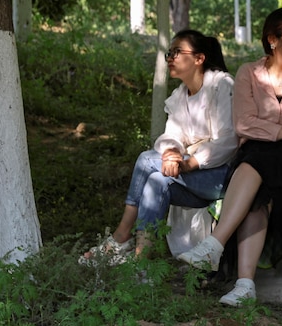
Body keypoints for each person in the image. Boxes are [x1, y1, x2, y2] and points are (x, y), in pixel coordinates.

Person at [177, 8, 282, 306]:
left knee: (256, 163)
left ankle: (214, 245)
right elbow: (244, 124)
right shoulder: (249, 72)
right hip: (261, 152)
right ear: (273, 39)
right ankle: (245, 285)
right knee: (257, 191)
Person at [80, 30, 238, 265]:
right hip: (190, 178)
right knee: (156, 182)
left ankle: (121, 237)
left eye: (177, 52)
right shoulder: (179, 95)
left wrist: (188, 163)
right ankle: (140, 264)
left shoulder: (221, 85)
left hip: (222, 177)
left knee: (146, 160)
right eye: (169, 53)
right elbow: (170, 136)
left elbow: (228, 141)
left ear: (199, 58)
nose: (170, 58)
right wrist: (171, 153)